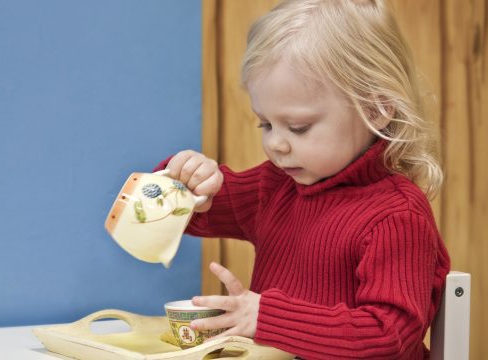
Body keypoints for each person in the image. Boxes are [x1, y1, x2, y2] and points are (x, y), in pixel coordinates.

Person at [156, 0, 450, 358]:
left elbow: (387, 337)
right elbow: (190, 212)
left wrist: (266, 317)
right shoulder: (275, 186)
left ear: (375, 110)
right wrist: (187, 179)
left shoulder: (396, 216)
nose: (275, 144)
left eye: (298, 127)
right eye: (265, 124)